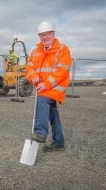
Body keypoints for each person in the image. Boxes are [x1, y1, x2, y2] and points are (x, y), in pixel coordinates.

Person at [25, 21, 72, 151]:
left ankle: (40, 132)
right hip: (42, 87)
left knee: (42, 100)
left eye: (47, 34)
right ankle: (59, 141)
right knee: (52, 112)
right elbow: (29, 67)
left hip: (54, 87)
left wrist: (46, 84)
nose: (44, 37)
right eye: (42, 35)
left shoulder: (63, 49)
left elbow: (62, 71)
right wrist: (33, 77)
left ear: (53, 34)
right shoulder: (35, 51)